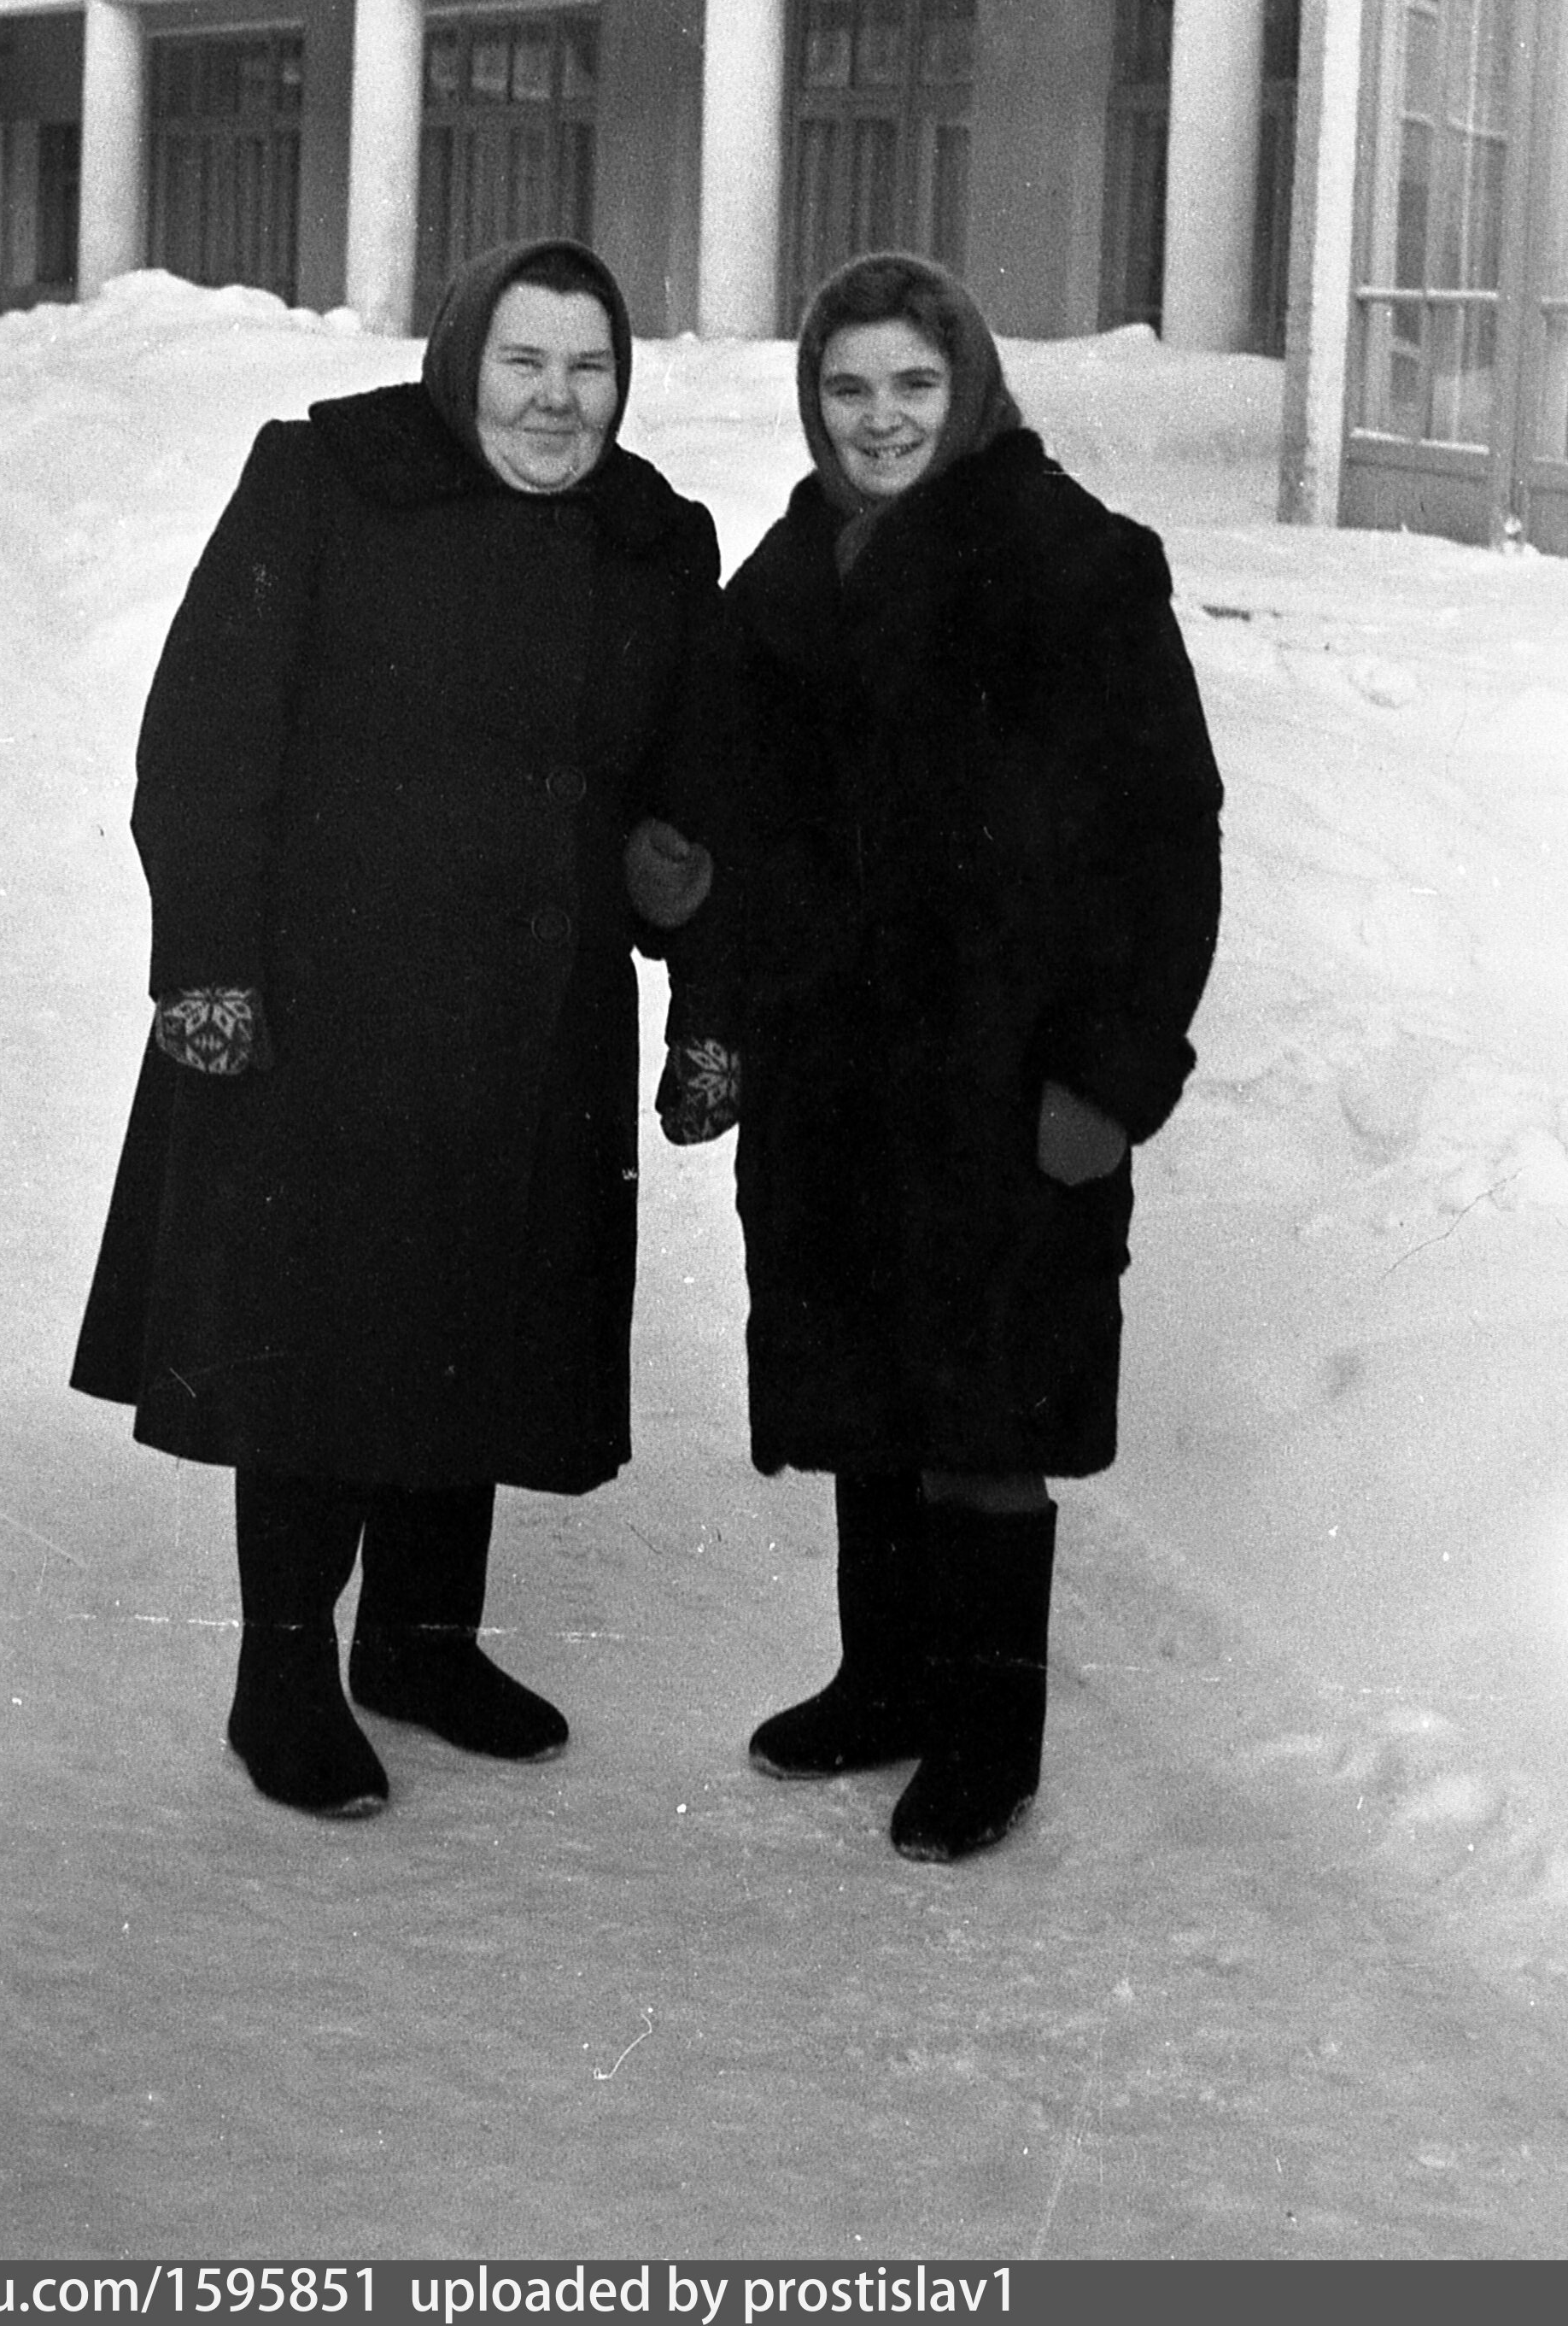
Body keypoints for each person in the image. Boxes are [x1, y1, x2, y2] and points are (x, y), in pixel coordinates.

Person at [73, 239, 720, 1821]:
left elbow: (693, 791)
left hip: (541, 1005)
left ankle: (422, 1644)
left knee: (483, 1315)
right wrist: (205, 962)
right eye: (524, 362)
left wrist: (700, 959)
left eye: (590, 368)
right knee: (323, 1331)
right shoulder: (328, 480)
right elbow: (205, 731)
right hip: (332, 1002)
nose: (558, 401)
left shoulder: (654, 538)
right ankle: (283, 1670)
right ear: (459, 360)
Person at [669, 253, 1222, 1865]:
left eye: (914, 384)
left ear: (969, 386)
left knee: (988, 1417)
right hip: (838, 1075)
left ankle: (988, 1743)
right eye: (847, 386)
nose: (880, 418)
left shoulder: (1072, 563)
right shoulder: (790, 570)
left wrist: (1110, 1079)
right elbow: (736, 809)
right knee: (867, 1390)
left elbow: (1169, 839)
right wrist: (709, 964)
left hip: (1009, 1084)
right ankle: (885, 1682)